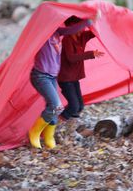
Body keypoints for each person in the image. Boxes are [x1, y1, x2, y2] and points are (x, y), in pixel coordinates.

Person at [28, 17, 92, 149]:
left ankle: (48, 136)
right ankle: (34, 132)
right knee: (57, 106)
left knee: (53, 107)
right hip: (41, 76)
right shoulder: (44, 35)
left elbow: (71, 30)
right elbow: (73, 29)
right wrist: (90, 20)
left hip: (52, 77)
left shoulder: (58, 33)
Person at [58, 16, 104, 134]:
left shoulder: (82, 36)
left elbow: (95, 32)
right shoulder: (67, 39)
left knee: (80, 106)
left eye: (83, 26)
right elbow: (71, 58)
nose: (82, 29)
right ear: (70, 27)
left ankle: (70, 131)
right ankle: (55, 127)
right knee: (73, 106)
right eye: (79, 26)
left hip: (74, 78)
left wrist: (98, 19)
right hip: (65, 78)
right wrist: (90, 54)